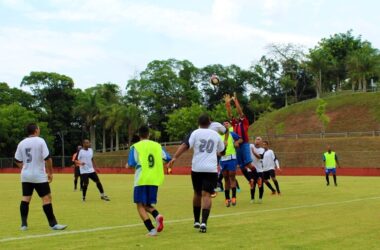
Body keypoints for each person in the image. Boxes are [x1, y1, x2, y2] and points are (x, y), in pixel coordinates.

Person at [168, 113, 225, 233]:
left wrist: (174, 158)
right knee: (207, 195)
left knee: (197, 193)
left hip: (197, 168)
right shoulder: (215, 134)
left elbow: (185, 145)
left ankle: (196, 221)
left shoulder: (195, 133)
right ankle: (204, 222)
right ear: (210, 122)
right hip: (211, 169)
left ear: (198, 123)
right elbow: (222, 152)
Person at [14, 123, 67, 231]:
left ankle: (24, 225)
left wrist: (24, 168)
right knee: (46, 198)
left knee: (26, 198)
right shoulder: (40, 141)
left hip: (26, 175)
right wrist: (50, 173)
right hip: (39, 175)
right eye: (39, 128)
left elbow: (17, 160)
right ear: (36, 130)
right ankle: (53, 224)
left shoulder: (21, 143)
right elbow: (48, 158)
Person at [127, 125, 172, 236]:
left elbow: (131, 164)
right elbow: (167, 158)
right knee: (147, 204)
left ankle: (151, 229)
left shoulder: (135, 147)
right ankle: (157, 216)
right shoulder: (157, 146)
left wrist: (127, 165)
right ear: (149, 134)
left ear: (139, 135)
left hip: (141, 178)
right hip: (154, 179)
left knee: (139, 205)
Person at [224, 93, 254, 196]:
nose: (237, 117)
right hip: (238, 146)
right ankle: (250, 180)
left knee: (248, 164)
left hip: (244, 144)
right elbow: (229, 115)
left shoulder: (244, 122)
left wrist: (235, 101)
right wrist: (227, 104)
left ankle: (257, 177)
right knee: (241, 167)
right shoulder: (235, 124)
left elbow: (240, 112)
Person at [220, 121, 241, 207]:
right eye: (224, 124)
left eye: (227, 123)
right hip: (222, 159)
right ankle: (227, 198)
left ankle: (234, 197)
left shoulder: (232, 133)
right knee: (225, 178)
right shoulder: (219, 135)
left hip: (232, 158)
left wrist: (237, 142)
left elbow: (240, 138)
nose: (225, 125)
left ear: (229, 125)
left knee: (232, 176)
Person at [250, 137, 265, 203]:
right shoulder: (251, 146)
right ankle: (252, 199)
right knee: (252, 184)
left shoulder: (262, 149)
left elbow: (259, 157)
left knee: (260, 184)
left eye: (259, 139)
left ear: (261, 142)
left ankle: (260, 198)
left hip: (259, 170)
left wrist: (253, 152)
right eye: (256, 139)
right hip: (251, 169)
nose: (257, 140)